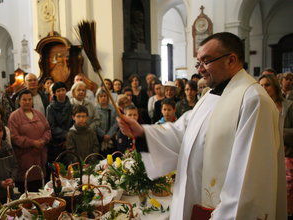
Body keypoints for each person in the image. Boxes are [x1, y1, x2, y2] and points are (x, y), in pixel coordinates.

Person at [117, 32, 286, 219]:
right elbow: (183, 133)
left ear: (231, 60)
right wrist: (142, 132)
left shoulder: (253, 100)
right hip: (190, 199)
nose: (201, 69)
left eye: (206, 61)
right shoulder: (210, 96)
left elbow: (248, 178)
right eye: (199, 63)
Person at [258, 74, 293, 215]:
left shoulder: (288, 106)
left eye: (267, 85)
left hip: (286, 155)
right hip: (264, 157)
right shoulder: (257, 106)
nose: (264, 88)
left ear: (275, 87)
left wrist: (277, 133)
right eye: (260, 86)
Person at [8, 89, 51, 192]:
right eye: (24, 100)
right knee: (27, 189)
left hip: (40, 157)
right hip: (24, 158)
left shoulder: (39, 114)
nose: (27, 102)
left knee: (41, 188)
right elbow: (14, 137)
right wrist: (32, 142)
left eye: (29, 99)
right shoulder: (14, 116)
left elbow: (47, 129)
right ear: (19, 101)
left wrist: (43, 140)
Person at [46, 82, 73, 163]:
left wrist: (70, 136)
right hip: (57, 143)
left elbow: (74, 122)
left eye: (63, 90)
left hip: (71, 140)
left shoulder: (71, 105)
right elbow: (52, 126)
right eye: (58, 91)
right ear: (54, 93)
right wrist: (66, 135)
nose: (61, 92)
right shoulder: (50, 108)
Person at [95, 88, 118, 155]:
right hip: (99, 137)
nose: (103, 98)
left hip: (111, 137)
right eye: (101, 96)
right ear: (97, 97)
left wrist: (109, 135)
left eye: (105, 96)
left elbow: (116, 123)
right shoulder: (95, 109)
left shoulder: (113, 108)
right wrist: (103, 135)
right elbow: (95, 124)